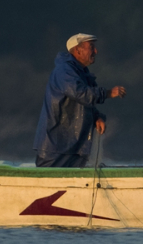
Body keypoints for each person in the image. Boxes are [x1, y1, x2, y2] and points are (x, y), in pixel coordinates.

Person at [33, 33, 127, 167]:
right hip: (56, 147)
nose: (96, 51)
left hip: (73, 146)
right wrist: (108, 93)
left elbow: (81, 102)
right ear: (77, 50)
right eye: (91, 47)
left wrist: (96, 117)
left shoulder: (80, 72)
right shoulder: (64, 70)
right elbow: (79, 93)